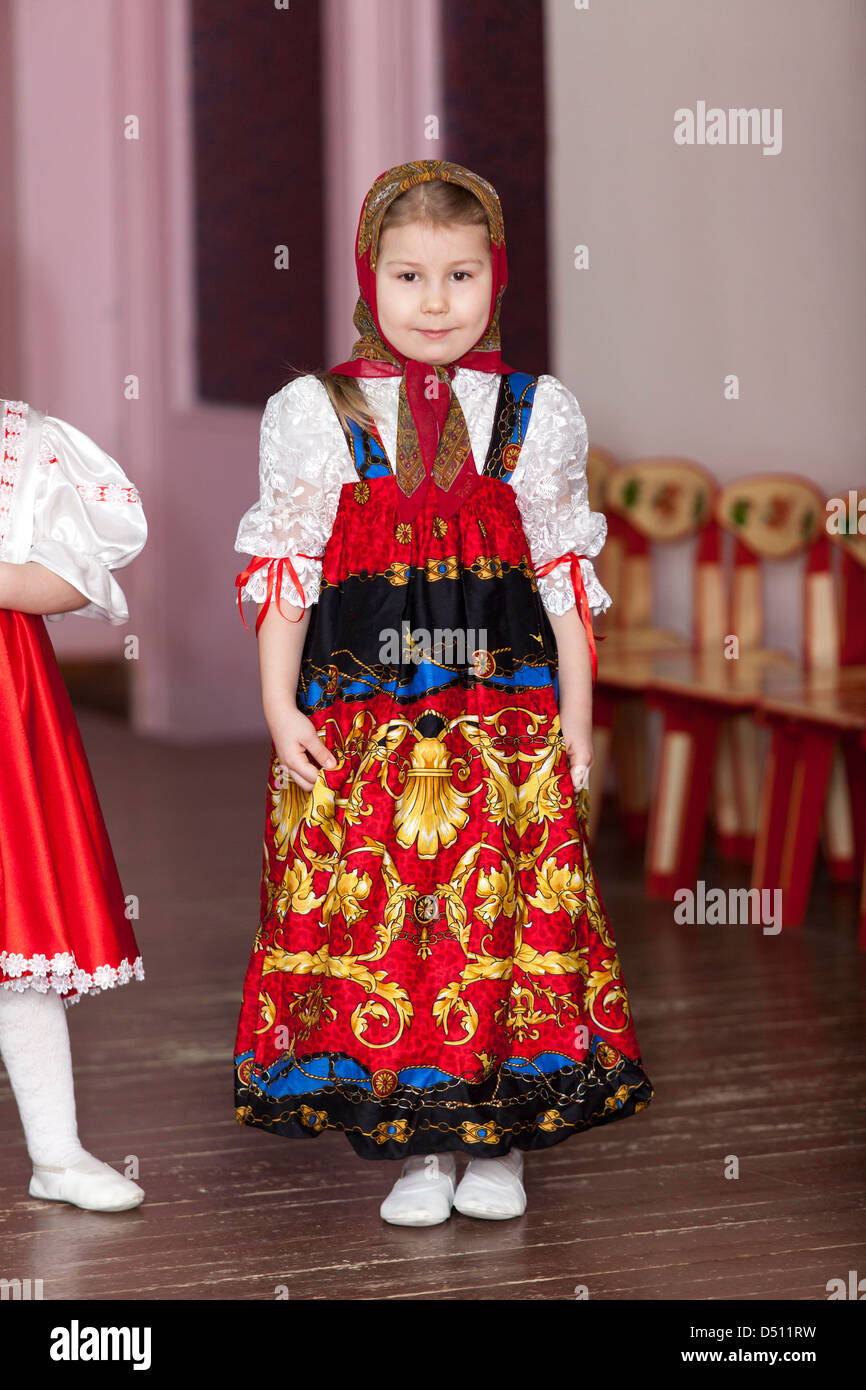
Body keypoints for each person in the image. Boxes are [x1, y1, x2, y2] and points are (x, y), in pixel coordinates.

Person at [233, 159, 653, 1226]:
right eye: (409, 275)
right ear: (368, 278)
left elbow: (562, 583)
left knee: (500, 930)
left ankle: (501, 1142)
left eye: (459, 275)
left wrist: (578, 726)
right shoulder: (314, 412)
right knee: (396, 932)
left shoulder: (534, 413)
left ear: (495, 277)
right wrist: (281, 709)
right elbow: (286, 574)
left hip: (502, 729)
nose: (433, 303)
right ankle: (419, 1149)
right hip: (364, 731)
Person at [0, 396, 147, 1212]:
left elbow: (72, 577)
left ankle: (55, 1152)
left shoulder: (21, 446)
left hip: (3, 710)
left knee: (15, 939)